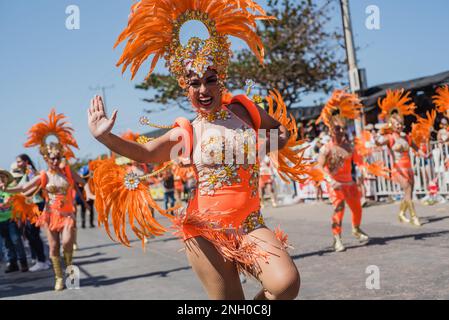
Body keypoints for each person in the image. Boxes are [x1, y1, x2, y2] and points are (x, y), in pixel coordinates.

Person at [87, 0, 309, 300]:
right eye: (194, 83)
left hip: (250, 223)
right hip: (205, 230)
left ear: (221, 80)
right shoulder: (188, 131)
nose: (203, 89)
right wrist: (105, 137)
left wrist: (258, 145)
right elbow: (147, 153)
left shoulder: (244, 110)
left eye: (210, 80)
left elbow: (281, 133)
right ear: (186, 86)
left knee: (286, 285)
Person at [5, 110, 85, 291]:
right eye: (52, 158)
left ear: (61, 156)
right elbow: (24, 188)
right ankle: (59, 278)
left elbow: (84, 180)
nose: (55, 160)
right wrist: (5, 188)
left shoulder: (67, 172)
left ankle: (71, 273)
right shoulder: (44, 175)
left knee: (66, 243)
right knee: (54, 246)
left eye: (58, 157)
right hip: (50, 215)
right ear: (46, 158)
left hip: (67, 215)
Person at [315, 89, 370, 252]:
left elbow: (359, 161)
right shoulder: (326, 148)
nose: (340, 132)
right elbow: (319, 166)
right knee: (339, 207)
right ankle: (337, 238)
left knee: (357, 209)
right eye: (337, 129)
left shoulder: (349, 146)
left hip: (349, 183)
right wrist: (329, 180)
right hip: (335, 183)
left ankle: (356, 228)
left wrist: (362, 171)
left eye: (342, 129)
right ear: (331, 130)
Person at [375, 89, 427, 227]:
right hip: (398, 169)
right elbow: (378, 142)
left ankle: (401, 214)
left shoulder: (406, 137)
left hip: (408, 167)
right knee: (407, 189)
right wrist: (376, 137)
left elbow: (416, 149)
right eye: (396, 123)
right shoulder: (389, 137)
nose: (399, 125)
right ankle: (414, 216)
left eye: (400, 123)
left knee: (408, 192)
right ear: (391, 124)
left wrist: (424, 154)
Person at [13, 154, 49, 272]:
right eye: (17, 162)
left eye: (19, 161)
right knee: (30, 234)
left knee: (33, 233)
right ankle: (40, 259)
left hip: (35, 205)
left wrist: (25, 194)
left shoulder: (30, 172)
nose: (17, 164)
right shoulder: (26, 173)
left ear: (26, 161)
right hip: (29, 206)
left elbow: (37, 186)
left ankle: (42, 261)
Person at [0, 169, 29, 273]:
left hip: (11, 219)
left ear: (7, 179)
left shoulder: (11, 189)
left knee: (16, 240)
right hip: (0, 221)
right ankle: (12, 263)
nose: (1, 179)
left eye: (3, 177)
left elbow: (19, 203)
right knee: (6, 243)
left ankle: (23, 262)